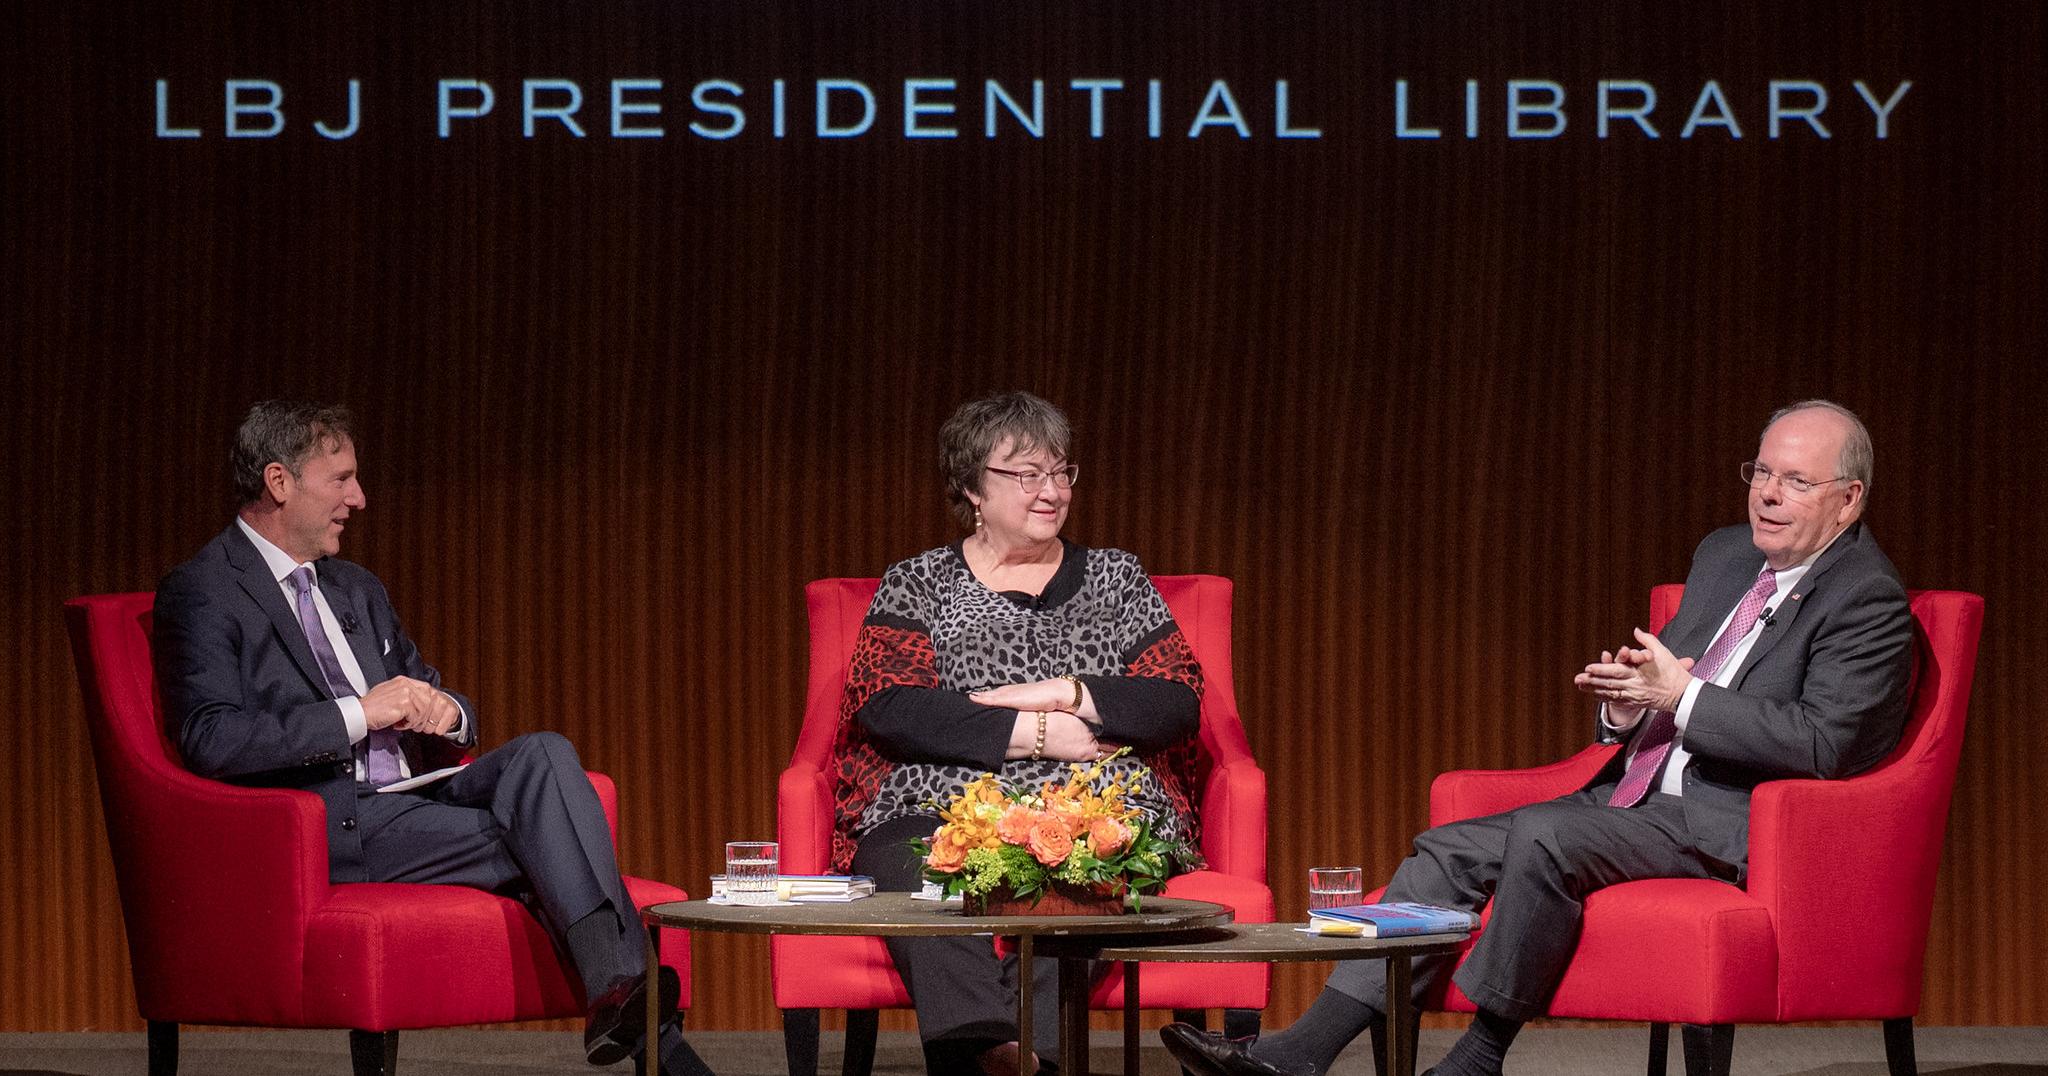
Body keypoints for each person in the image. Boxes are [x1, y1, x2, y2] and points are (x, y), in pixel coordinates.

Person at [1162, 400, 1916, 1076]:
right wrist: (1627, 708)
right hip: (1642, 799)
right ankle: (1299, 1056)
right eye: (1761, 472)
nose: (1768, 494)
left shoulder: (1866, 598)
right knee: (1446, 847)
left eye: (1796, 482)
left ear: (1849, 500)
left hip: (1733, 822)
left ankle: (1481, 1057)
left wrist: (1682, 696)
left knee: (1547, 835)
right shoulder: (1725, 555)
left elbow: (1826, 742)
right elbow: (1675, 679)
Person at [153, 401, 713, 1074]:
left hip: (418, 795)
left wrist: (447, 712)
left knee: (544, 752)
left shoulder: (354, 588)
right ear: (279, 482)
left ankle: (617, 999)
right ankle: (647, 1023)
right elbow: (210, 737)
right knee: (548, 838)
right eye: (342, 479)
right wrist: (360, 712)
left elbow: (426, 687)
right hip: (327, 821)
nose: (358, 499)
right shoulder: (206, 589)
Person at [830, 391, 1208, 1074]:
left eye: (1061, 472)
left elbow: (1175, 700)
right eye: (1025, 473)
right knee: (927, 880)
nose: (1051, 490)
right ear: (972, 485)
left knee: (1079, 880)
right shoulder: (918, 584)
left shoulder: (1117, 578)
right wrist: (1041, 734)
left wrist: (1068, 692)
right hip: (938, 805)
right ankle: (996, 1049)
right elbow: (890, 706)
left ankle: (1009, 1058)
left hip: (1098, 804)